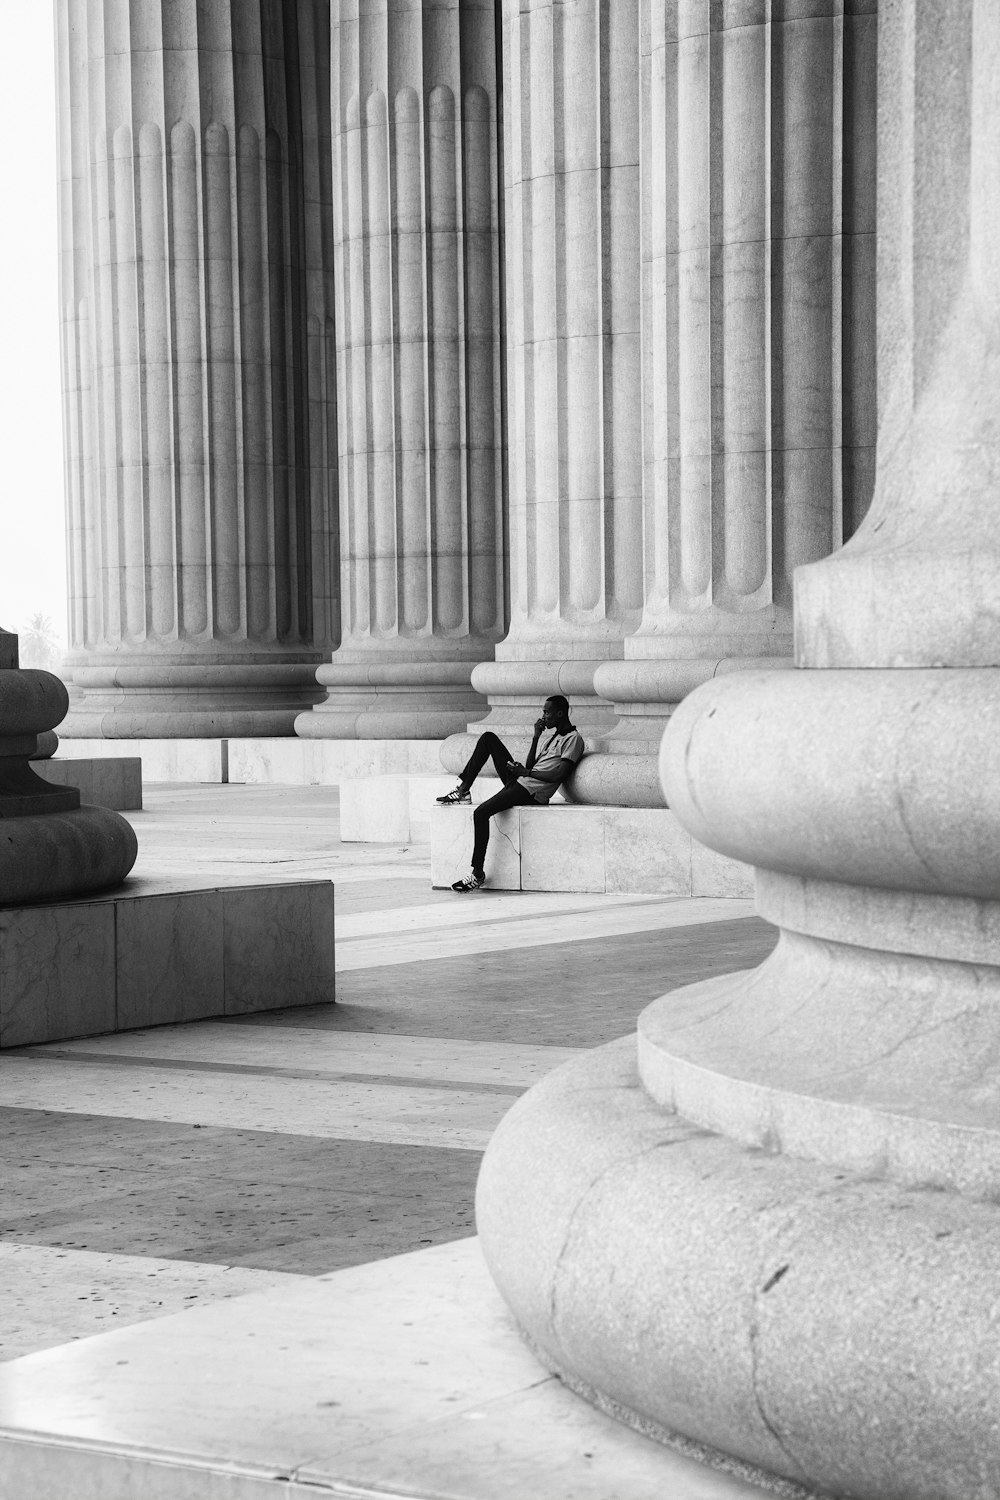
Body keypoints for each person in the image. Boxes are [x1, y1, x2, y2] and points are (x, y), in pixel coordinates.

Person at [437, 695, 585, 892]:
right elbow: (532, 765)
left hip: (531, 792)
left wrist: (525, 773)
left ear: (560, 713)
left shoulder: (573, 739)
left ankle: (477, 874)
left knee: (480, 813)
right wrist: (535, 738)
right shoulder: (552, 737)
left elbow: (559, 773)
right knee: (488, 738)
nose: (543, 716)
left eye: (546, 712)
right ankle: (463, 789)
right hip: (522, 781)